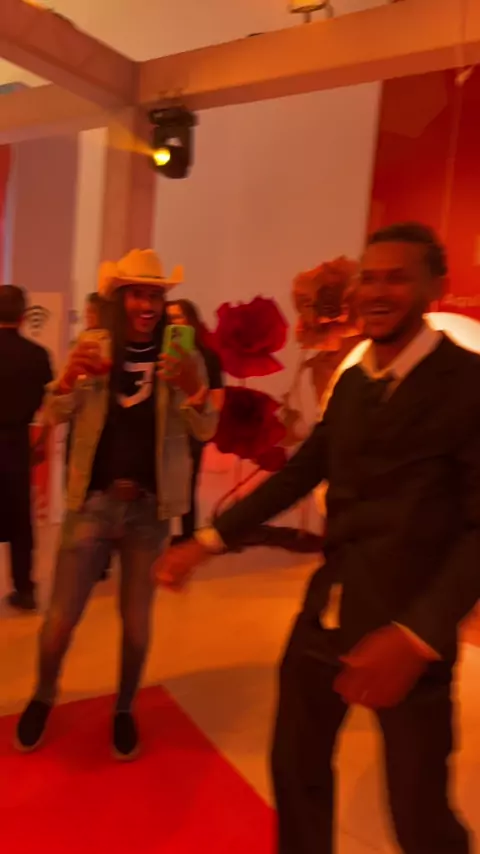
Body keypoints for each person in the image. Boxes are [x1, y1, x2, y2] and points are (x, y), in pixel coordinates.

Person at [154, 223, 478, 854]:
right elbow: (304, 471)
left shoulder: (469, 384)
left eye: (396, 277)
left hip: (406, 636)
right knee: (296, 771)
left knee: (418, 817)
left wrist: (417, 636)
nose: (377, 291)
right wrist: (208, 541)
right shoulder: (354, 382)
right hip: (326, 616)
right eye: (369, 277)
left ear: (435, 285)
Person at [15, 249, 219, 760]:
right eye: (137, 294)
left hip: (149, 514)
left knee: (137, 626)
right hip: (93, 507)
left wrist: (194, 389)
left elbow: (205, 429)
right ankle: (43, 694)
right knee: (60, 621)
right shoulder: (93, 348)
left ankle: (125, 707)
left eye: (155, 295)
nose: (147, 305)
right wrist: (66, 380)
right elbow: (53, 412)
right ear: (119, 299)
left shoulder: (182, 358)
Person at [0, 285, 53, 612]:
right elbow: (50, 405)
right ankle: (24, 589)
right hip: (18, 442)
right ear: (23, 315)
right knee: (20, 520)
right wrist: (42, 441)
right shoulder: (37, 355)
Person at [167, 299, 224, 542]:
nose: (174, 323)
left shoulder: (208, 357)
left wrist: (200, 402)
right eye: (169, 319)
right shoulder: (160, 357)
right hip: (165, 428)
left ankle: (187, 536)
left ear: (191, 321)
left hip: (193, 428)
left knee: (188, 484)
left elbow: (218, 400)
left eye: (178, 317)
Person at [65, 292, 111, 581]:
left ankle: (98, 559)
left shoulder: (110, 345)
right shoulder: (81, 343)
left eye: (92, 312)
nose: (88, 317)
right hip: (79, 423)